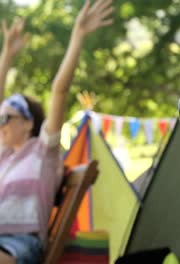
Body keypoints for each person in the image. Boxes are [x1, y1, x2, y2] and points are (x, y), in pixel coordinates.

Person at [0, 0, 113, 263]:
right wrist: (7, 56)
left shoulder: (43, 152)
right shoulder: (4, 156)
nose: (0, 123)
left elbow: (59, 90)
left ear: (28, 123)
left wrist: (78, 35)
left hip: (20, 244)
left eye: (6, 117)